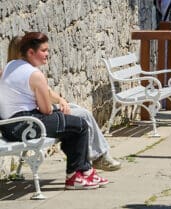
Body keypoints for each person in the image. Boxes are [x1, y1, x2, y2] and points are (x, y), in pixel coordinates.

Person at [0, 32, 111, 190]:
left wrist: (58, 108)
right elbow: (46, 110)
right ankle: (75, 176)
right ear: (30, 52)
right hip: (25, 125)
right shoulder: (35, 75)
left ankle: (84, 172)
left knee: (70, 125)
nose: (47, 55)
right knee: (80, 125)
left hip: (11, 126)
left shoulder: (11, 66)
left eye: (47, 51)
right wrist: (57, 109)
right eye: (43, 51)